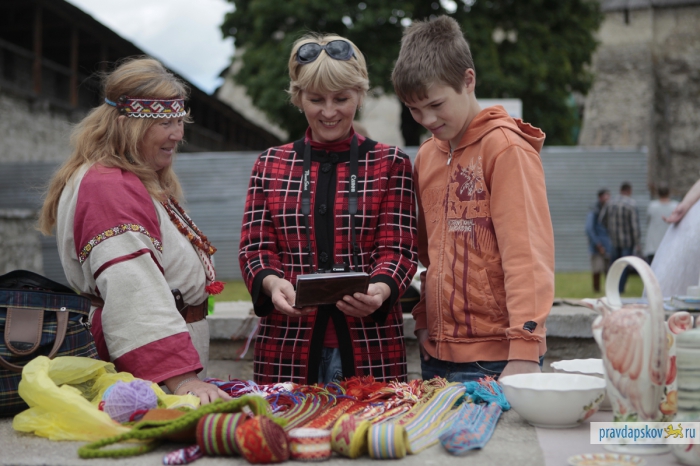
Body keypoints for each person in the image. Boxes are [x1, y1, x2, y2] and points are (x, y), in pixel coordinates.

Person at [38, 58, 230, 404]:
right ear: (128, 126)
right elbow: (133, 290)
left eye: (179, 120)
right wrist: (183, 381)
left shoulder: (132, 178)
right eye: (165, 122)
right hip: (151, 376)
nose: (178, 134)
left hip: (168, 367)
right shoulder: (108, 187)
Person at [239, 34, 418, 385]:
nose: (329, 111)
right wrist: (272, 284)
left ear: (360, 95)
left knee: (372, 423)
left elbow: (398, 249)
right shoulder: (270, 164)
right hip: (286, 347)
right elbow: (255, 248)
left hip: (371, 348)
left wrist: (380, 289)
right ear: (298, 98)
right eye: (316, 99)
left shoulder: (390, 163)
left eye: (342, 98)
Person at [391, 16, 554, 382]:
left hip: (501, 357)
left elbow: (527, 256)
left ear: (468, 80)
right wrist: (423, 320)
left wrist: (525, 347)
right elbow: (428, 255)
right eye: (414, 109)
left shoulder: (506, 149)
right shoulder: (426, 156)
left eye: (436, 104)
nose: (426, 119)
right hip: (436, 353)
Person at [599, 182, 641, 293]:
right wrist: (637, 242)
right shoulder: (631, 204)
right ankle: (620, 289)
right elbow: (635, 226)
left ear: (620, 190)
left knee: (614, 266)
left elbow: (602, 220)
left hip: (614, 241)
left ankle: (612, 287)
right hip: (627, 242)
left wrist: (610, 230)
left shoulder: (610, 203)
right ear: (629, 191)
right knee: (624, 265)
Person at [585, 189, 613, 292]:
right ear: (600, 197)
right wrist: (598, 244)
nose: (608, 199)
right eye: (605, 196)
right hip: (597, 247)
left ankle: (610, 290)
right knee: (597, 268)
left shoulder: (609, 210)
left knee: (608, 269)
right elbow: (589, 229)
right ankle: (596, 290)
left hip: (608, 245)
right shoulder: (594, 211)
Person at [644, 183, 678, 264]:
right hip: (670, 245)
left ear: (658, 193)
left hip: (653, 246)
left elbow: (647, 221)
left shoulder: (652, 206)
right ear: (669, 192)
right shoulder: (675, 206)